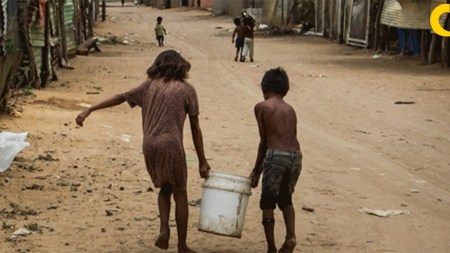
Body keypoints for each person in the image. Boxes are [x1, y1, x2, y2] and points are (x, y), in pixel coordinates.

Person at [75, 50, 210, 253]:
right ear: (181, 66)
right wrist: (202, 160)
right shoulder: (186, 89)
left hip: (149, 145)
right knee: (180, 193)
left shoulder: (149, 85)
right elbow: (195, 128)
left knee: (165, 188)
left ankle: (164, 229)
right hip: (171, 145)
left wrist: (90, 109)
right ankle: (182, 246)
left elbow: (120, 97)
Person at [249, 67, 302, 253]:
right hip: (296, 156)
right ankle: (291, 236)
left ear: (264, 87)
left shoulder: (262, 107)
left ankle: (271, 247)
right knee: (286, 198)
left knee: (268, 202)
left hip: (275, 156)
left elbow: (265, 142)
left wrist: (256, 171)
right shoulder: (290, 109)